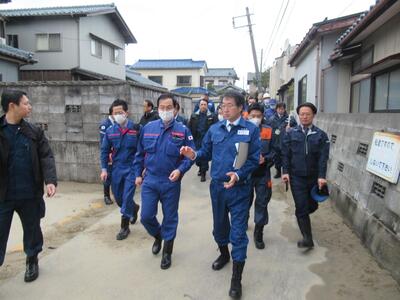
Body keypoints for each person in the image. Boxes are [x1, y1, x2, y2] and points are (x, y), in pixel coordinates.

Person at [181, 91, 260, 299]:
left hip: (239, 189)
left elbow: (252, 160)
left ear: (240, 108)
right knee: (219, 229)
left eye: (229, 105)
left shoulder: (250, 130)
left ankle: (236, 279)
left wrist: (239, 174)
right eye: (222, 105)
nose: (224, 108)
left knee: (238, 234)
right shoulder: (214, 129)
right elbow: (205, 152)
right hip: (217, 188)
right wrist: (194, 155)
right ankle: (224, 254)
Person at [0, 89, 57, 283]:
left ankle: (32, 260)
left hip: (29, 193)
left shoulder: (33, 131)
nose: (29, 106)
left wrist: (50, 181)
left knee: (32, 229)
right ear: (12, 106)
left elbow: (46, 156)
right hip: (3, 195)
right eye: (26, 103)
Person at [133, 93, 195, 270]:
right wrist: (138, 173)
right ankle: (158, 235)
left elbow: (190, 156)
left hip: (170, 181)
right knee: (146, 216)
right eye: (162, 108)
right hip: (150, 180)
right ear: (157, 108)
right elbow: (139, 154)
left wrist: (180, 170)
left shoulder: (183, 131)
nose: (166, 111)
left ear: (175, 109)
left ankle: (167, 251)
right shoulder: (148, 128)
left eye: (169, 108)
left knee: (170, 217)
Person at [281, 102, 330, 249]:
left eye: (307, 114)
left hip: (314, 178)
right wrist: (285, 172)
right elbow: (286, 155)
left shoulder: (321, 135)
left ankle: (303, 214)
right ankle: (307, 238)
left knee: (312, 206)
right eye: (302, 114)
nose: (304, 116)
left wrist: (322, 176)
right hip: (296, 177)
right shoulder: (291, 133)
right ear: (298, 115)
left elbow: (323, 157)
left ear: (313, 115)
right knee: (301, 207)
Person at [100, 99, 141, 241]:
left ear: (126, 112)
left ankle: (124, 227)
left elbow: (141, 151)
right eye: (115, 113)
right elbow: (104, 151)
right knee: (118, 198)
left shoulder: (136, 129)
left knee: (126, 196)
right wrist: (104, 169)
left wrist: (141, 170)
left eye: (120, 112)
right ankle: (134, 208)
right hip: (116, 169)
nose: (118, 115)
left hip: (131, 168)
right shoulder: (110, 132)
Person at [247, 103, 276, 250]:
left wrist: (267, 159)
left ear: (263, 116)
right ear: (247, 115)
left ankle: (259, 233)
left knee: (262, 202)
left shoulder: (268, 130)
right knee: (244, 201)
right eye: (253, 116)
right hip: (245, 174)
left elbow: (275, 151)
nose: (256, 118)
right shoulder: (242, 130)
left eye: (259, 116)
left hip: (263, 173)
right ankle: (243, 221)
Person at [188, 98, 218, 182]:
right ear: (199, 106)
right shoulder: (194, 115)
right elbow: (189, 127)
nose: (203, 106)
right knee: (197, 157)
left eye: (205, 104)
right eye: (202, 104)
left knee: (204, 156)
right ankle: (200, 168)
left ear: (207, 106)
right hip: (197, 139)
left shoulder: (212, 116)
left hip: (207, 140)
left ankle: (203, 173)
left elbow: (217, 127)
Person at [269, 102, 297, 178]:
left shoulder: (290, 118)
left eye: (282, 109)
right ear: (276, 109)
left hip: (286, 142)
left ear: (284, 109)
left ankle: (287, 172)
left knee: (287, 157)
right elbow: (269, 130)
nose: (280, 110)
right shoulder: (271, 119)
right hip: (276, 142)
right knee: (277, 159)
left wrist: (291, 129)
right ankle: (278, 171)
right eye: (279, 109)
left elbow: (296, 128)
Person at [99, 105, 115, 205]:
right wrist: (109, 154)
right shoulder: (105, 125)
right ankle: (106, 195)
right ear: (111, 113)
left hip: (117, 154)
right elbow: (103, 142)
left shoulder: (118, 124)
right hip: (108, 154)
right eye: (116, 113)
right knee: (107, 175)